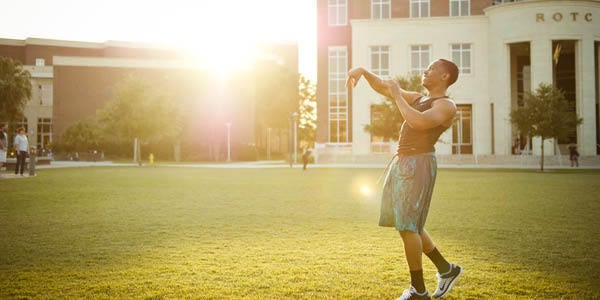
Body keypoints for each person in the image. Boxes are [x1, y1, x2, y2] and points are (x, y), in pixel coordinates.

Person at [347, 59, 463, 300]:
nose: (425, 70)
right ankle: (446, 269)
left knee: (408, 226)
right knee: (410, 224)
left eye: (431, 68)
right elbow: (384, 86)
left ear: (445, 76)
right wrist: (363, 71)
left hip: (418, 163)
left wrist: (399, 96)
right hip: (403, 161)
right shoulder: (420, 99)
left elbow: (418, 122)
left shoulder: (446, 105)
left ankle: (419, 291)